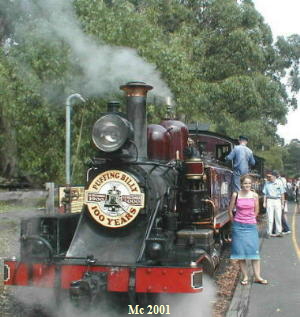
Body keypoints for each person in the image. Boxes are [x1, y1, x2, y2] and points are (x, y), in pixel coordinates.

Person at [228, 174, 267, 285]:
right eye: (245, 183)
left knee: (254, 253)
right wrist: (234, 222)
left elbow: (256, 211)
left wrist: (250, 219)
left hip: (250, 226)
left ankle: (257, 276)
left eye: (249, 183)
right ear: (241, 184)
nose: (247, 185)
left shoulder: (254, 195)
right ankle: (245, 276)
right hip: (238, 226)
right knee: (241, 253)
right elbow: (230, 210)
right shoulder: (236, 195)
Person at [263, 171, 285, 238]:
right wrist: (264, 202)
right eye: (268, 176)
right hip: (270, 200)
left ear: (274, 176)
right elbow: (265, 194)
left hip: (277, 200)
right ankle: (269, 232)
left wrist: (282, 203)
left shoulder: (279, 183)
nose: (269, 178)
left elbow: (282, 194)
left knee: (278, 216)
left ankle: (279, 232)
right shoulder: (267, 183)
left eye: (270, 176)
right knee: (269, 217)